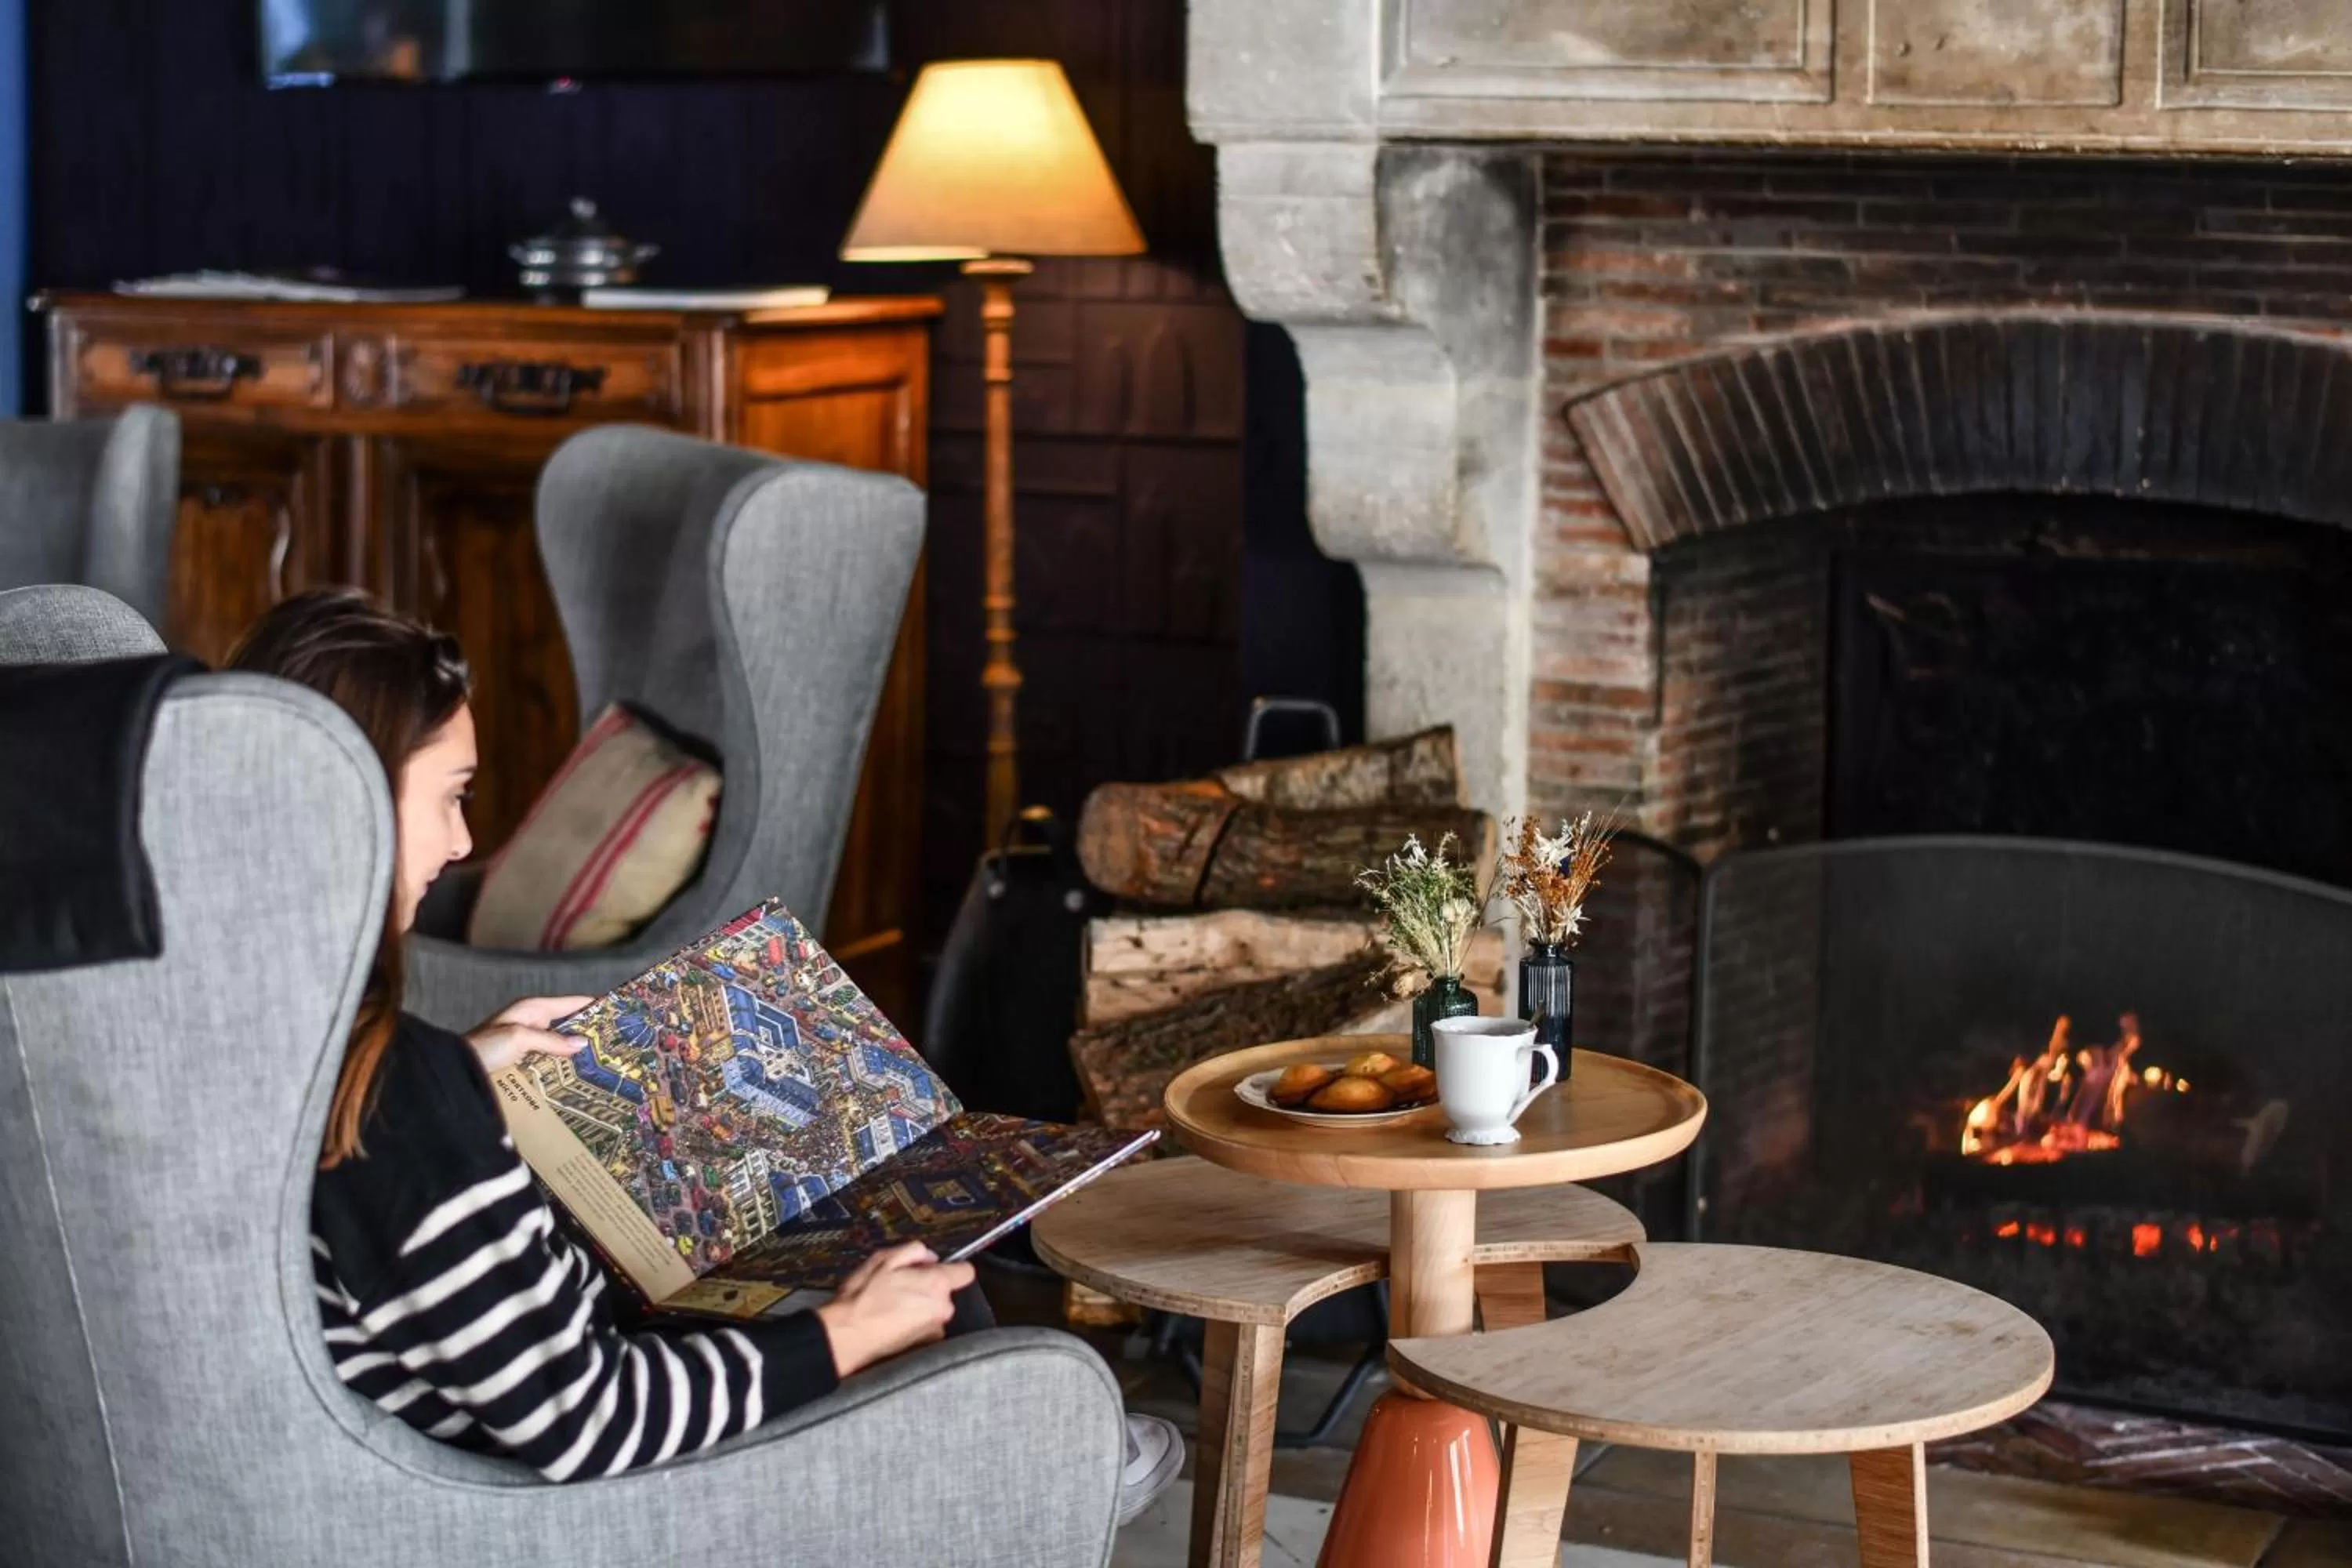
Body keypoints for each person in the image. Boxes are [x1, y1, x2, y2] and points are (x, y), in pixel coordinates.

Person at [233, 590, 1180, 1512]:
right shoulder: (402, 1095)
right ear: (345, 800)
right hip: (588, 1481)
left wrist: (470, 1068)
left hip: (517, 1369)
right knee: (912, 1283)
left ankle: (1047, 1449)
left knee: (874, 1243)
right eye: (451, 796)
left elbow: (391, 1176)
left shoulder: (262, 1026)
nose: (461, 840)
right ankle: (1052, 1462)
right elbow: (586, 1420)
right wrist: (843, 1335)